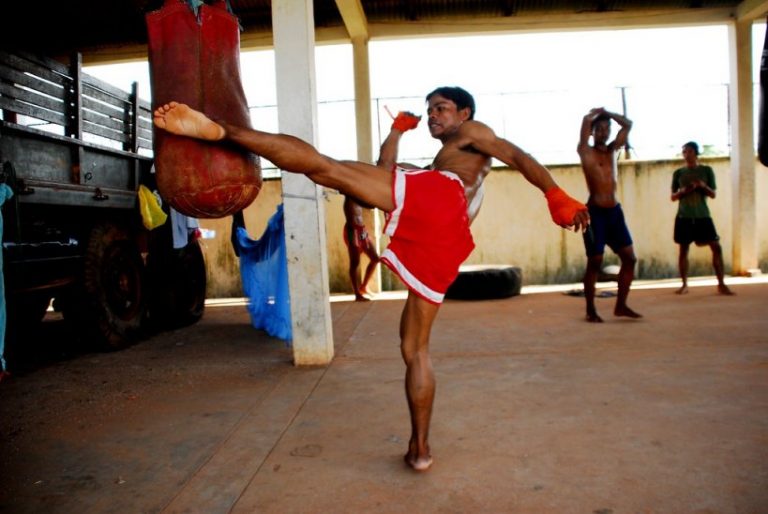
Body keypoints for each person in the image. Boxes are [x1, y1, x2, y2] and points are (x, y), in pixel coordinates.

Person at [153, 86, 589, 472]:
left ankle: (220, 131)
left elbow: (520, 156)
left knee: (325, 167)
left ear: (464, 115)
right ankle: (420, 449)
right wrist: (398, 131)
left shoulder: (474, 134)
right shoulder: (451, 156)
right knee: (414, 349)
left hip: (439, 198)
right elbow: (385, 168)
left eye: (442, 108)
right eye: (429, 110)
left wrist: (554, 193)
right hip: (447, 238)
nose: (434, 116)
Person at [577, 107, 641, 322]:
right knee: (595, 261)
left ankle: (621, 305)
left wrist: (610, 114)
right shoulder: (585, 151)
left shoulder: (614, 151)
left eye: (607, 129)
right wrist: (594, 115)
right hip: (595, 213)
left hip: (614, 212)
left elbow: (628, 124)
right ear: (593, 132)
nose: (604, 133)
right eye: (600, 129)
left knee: (630, 259)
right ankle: (590, 310)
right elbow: (586, 121)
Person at [671, 141, 733, 295]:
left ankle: (721, 284)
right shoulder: (678, 173)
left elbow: (713, 194)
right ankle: (684, 284)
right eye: (684, 151)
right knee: (683, 249)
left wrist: (702, 186)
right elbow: (673, 196)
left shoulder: (707, 170)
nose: (687, 154)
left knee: (716, 247)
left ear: (696, 153)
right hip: (684, 216)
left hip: (702, 216)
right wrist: (685, 190)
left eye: (690, 151)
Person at [342, 196, 380, 301]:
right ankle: (357, 293)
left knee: (375, 258)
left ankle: (363, 286)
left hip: (362, 230)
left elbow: (369, 205)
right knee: (355, 262)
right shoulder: (350, 196)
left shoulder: (356, 196)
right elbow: (370, 205)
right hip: (353, 230)